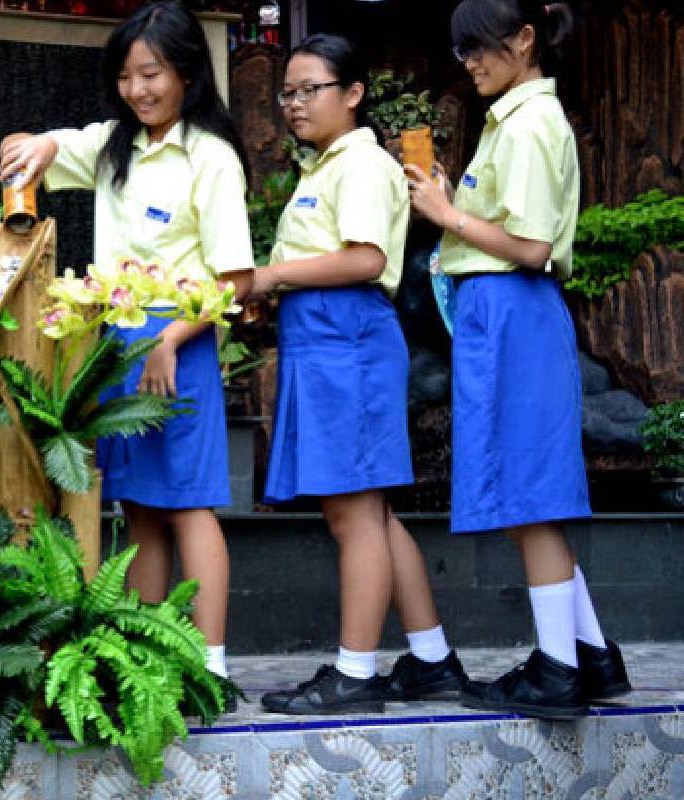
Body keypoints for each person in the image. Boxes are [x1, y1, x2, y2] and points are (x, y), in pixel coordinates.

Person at [0, 0, 253, 685]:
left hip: (179, 340)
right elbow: (46, 148)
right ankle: (152, 658)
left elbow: (234, 278)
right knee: (138, 506)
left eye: (153, 74)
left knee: (190, 504)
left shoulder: (213, 158)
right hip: (116, 340)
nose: (139, 89)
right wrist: (31, 147)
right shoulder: (117, 143)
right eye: (127, 76)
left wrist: (171, 339)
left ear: (188, 73)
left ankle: (210, 668)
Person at [407, 0, 629, 719]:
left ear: (525, 40)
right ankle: (589, 655)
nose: (469, 61)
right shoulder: (514, 119)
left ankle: (560, 671)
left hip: (515, 311)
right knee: (523, 490)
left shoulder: (530, 124)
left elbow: (531, 247)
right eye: (461, 49)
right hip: (500, 315)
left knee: (529, 495)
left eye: (480, 47)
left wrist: (447, 217)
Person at [246, 34, 467, 715]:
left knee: (353, 514)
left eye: (310, 88)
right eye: (288, 91)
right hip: (327, 344)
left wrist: (271, 274)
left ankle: (356, 675)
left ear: (353, 94)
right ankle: (432, 661)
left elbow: (367, 259)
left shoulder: (365, 164)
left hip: (349, 344)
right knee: (370, 510)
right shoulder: (326, 168)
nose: (295, 103)